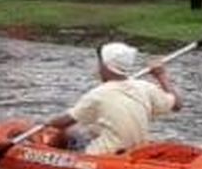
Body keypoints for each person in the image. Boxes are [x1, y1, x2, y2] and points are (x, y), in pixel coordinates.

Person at [43, 41, 180, 155]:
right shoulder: (145, 87)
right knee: (91, 130)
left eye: (100, 63)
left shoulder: (98, 94)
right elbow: (177, 105)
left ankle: (45, 154)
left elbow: (63, 122)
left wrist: (45, 124)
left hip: (103, 154)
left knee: (67, 132)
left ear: (106, 66)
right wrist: (161, 76)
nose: (98, 66)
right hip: (135, 150)